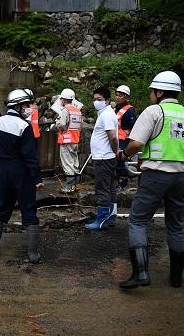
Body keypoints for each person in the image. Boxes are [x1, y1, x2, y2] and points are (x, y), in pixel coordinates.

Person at [118, 71, 184, 289]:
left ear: (160, 91)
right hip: (183, 176)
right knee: (175, 224)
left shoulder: (154, 111)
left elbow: (136, 143)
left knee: (137, 221)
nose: (151, 95)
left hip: (156, 175)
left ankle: (140, 274)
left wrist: (124, 155)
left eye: (152, 91)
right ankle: (176, 278)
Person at [0, 89, 45, 263]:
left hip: (2, 169)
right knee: (28, 207)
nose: (28, 108)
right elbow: (30, 155)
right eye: (27, 105)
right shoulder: (24, 126)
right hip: (20, 170)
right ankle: (33, 254)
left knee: (0, 206)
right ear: (19, 106)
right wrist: (37, 179)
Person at [85, 87, 119, 230]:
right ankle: (110, 217)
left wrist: (115, 150)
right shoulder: (106, 113)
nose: (96, 102)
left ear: (107, 101)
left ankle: (102, 219)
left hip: (104, 157)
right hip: (105, 156)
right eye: (94, 99)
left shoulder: (106, 114)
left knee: (102, 189)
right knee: (110, 187)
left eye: (99, 99)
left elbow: (112, 136)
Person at [55, 88, 82, 193]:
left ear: (63, 99)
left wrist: (57, 125)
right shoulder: (77, 110)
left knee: (67, 163)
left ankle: (69, 187)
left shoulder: (65, 110)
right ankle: (75, 186)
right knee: (75, 162)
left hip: (66, 140)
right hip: (75, 140)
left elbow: (61, 124)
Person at [114, 85, 136, 192]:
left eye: (121, 95)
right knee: (115, 162)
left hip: (123, 140)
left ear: (126, 97)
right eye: (117, 95)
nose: (118, 97)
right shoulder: (115, 108)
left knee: (121, 162)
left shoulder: (129, 110)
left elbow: (133, 126)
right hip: (115, 139)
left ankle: (123, 184)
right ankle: (116, 183)